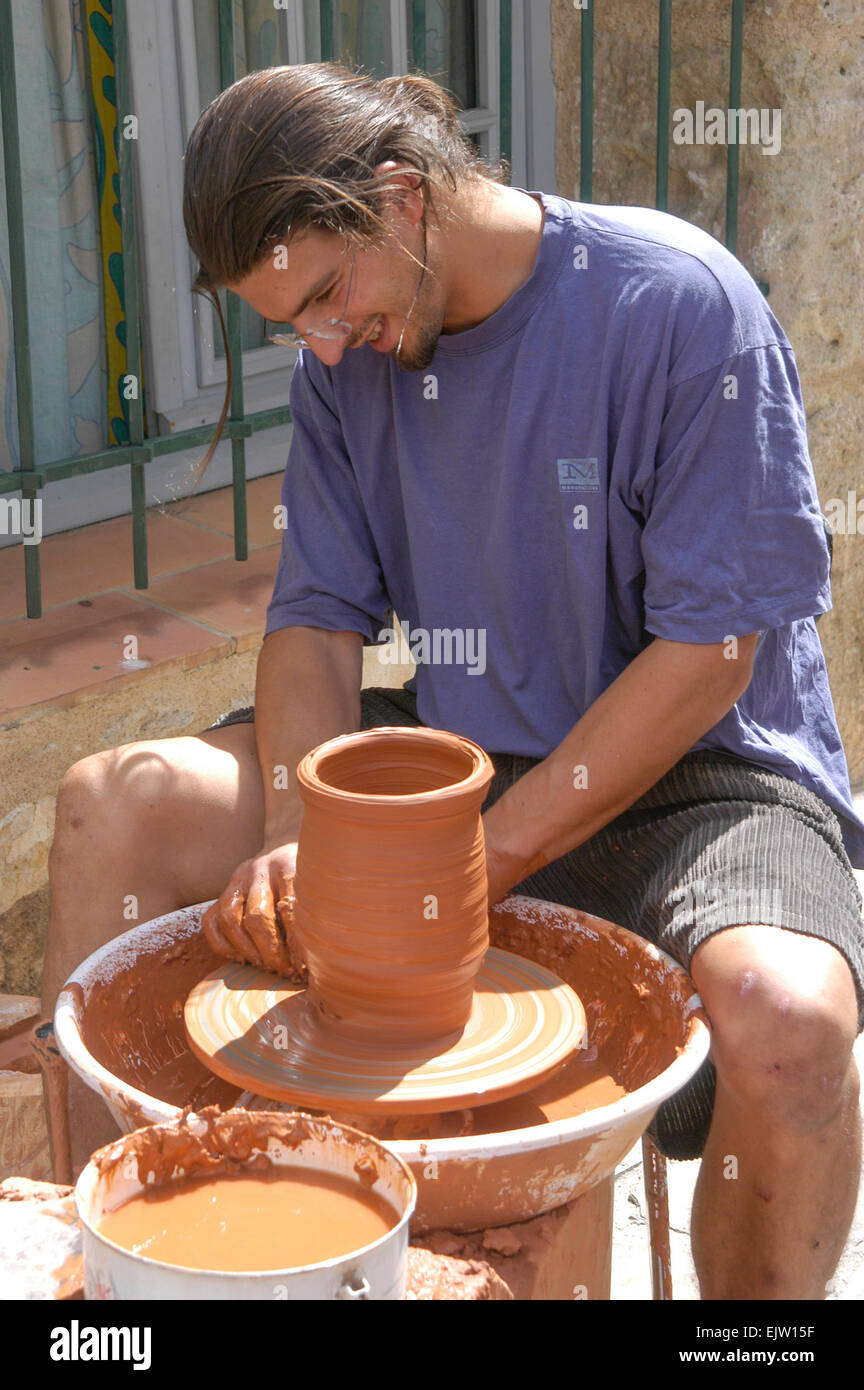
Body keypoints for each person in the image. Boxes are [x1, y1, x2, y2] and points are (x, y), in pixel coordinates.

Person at [44, 64, 863, 1300]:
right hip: (467, 747)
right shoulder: (345, 364)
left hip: (707, 770)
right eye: (291, 325)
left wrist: (468, 867)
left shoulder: (677, 304)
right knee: (113, 805)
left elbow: (711, 657)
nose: (321, 343)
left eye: (328, 294)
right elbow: (317, 623)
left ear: (404, 195)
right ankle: (110, 1285)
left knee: (790, 1020)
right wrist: (290, 831)